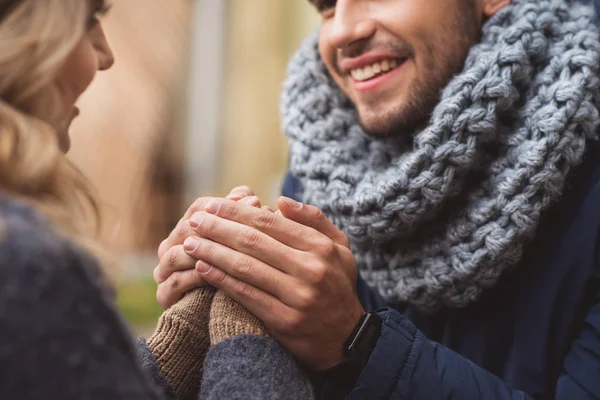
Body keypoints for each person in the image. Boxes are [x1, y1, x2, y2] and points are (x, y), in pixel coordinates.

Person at [155, 0, 600, 398]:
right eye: (326, 5)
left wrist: (359, 346)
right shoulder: (325, 162)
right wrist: (222, 300)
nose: (344, 30)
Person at [0, 0, 314, 399]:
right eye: (88, 21)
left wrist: (180, 337)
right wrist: (250, 324)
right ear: (18, 39)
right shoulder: (24, 266)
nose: (106, 56)